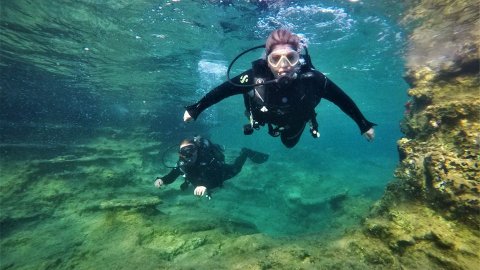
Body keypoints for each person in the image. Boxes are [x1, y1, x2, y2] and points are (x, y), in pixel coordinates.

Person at [183, 29, 376, 148]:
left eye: (290, 58)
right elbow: (223, 91)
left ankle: (291, 133)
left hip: (296, 121)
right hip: (263, 116)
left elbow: (341, 99)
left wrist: (363, 124)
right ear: (267, 61)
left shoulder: (313, 79)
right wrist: (196, 108)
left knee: (289, 144)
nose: (283, 65)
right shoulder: (253, 77)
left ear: (298, 59)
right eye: (275, 59)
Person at [154, 136, 268, 198]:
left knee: (236, 169)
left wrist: (204, 186)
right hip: (201, 183)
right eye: (184, 152)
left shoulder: (207, 158)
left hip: (219, 173)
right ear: (180, 153)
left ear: (196, 150)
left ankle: (245, 153)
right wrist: (162, 180)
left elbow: (215, 177)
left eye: (190, 150)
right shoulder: (183, 162)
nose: (187, 155)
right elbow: (173, 174)